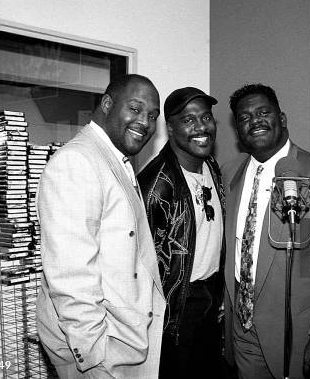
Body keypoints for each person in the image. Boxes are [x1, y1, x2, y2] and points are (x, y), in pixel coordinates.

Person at [36, 74, 165, 378]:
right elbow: (70, 273)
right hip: (99, 352)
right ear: (108, 104)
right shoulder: (78, 161)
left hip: (123, 340)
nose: (144, 122)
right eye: (135, 109)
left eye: (152, 115)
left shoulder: (114, 156)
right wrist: (94, 355)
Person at [222, 83, 310, 379]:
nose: (254, 121)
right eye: (244, 118)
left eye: (263, 112)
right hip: (243, 330)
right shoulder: (230, 172)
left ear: (282, 118)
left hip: (298, 334)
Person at [138, 87, 225, 379]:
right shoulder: (156, 185)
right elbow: (139, 265)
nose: (201, 127)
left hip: (211, 297)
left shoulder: (211, 165)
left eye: (206, 117)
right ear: (171, 128)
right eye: (189, 120)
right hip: (178, 309)